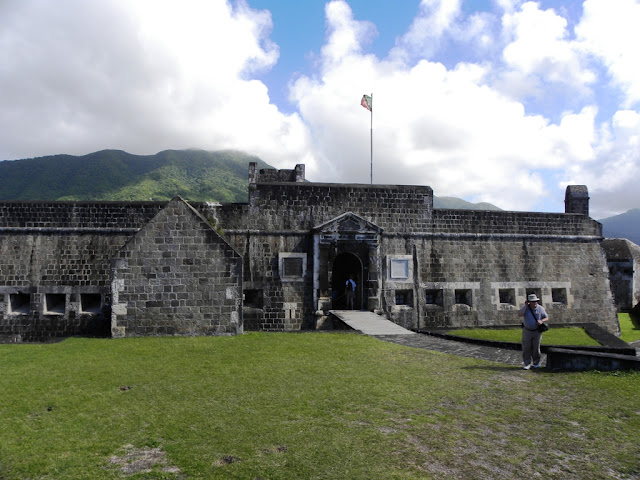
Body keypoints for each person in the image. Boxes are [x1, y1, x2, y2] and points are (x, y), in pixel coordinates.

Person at [517, 293, 549, 370]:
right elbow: (519, 314)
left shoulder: (540, 308)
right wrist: (525, 306)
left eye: (536, 301)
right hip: (527, 331)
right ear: (529, 302)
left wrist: (541, 321)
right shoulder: (525, 308)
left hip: (537, 331)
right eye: (533, 301)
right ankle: (527, 363)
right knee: (526, 348)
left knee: (536, 348)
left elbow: (546, 317)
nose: (535, 303)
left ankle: (536, 362)